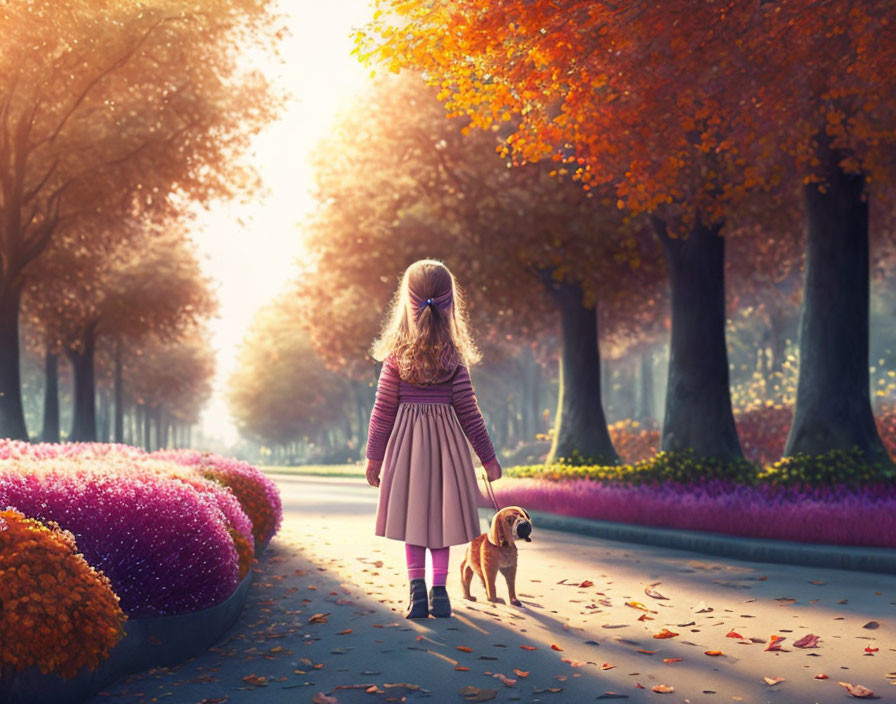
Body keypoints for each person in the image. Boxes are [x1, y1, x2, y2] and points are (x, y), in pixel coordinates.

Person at [365, 259, 502, 619]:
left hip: (406, 448)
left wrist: (374, 458)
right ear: (449, 302)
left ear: (407, 302)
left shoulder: (396, 356)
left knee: (415, 521)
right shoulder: (454, 356)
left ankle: (416, 593)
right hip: (446, 449)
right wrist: (488, 459)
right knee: (440, 524)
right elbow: (470, 413)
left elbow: (382, 412)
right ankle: (440, 593)